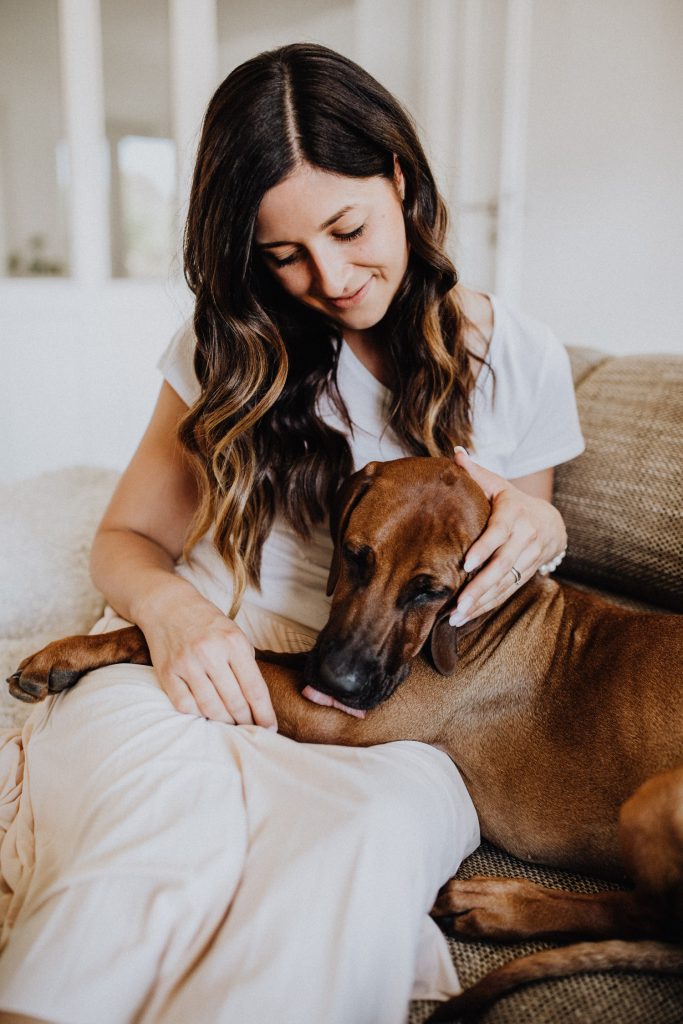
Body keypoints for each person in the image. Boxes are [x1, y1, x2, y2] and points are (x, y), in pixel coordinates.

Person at [0, 43, 583, 1024]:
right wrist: (171, 613)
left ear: (399, 179)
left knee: (352, 861)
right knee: (157, 844)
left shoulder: (511, 355)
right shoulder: (231, 348)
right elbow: (127, 539)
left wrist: (541, 521)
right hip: (200, 669)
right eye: (283, 255)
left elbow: (511, 580)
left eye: (350, 229)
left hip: (400, 725)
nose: (330, 277)